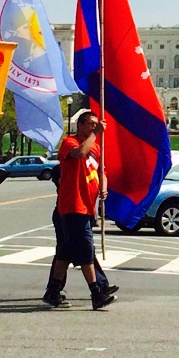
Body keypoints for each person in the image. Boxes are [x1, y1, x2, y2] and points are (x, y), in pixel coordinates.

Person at [45, 110, 119, 310]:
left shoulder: (95, 147)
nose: (94, 127)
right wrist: (97, 134)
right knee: (86, 250)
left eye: (96, 124)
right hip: (72, 206)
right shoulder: (70, 143)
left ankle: (52, 291)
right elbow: (79, 153)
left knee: (66, 252)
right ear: (81, 125)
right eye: (91, 124)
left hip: (87, 207)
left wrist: (103, 186)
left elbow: (101, 171)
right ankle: (97, 292)